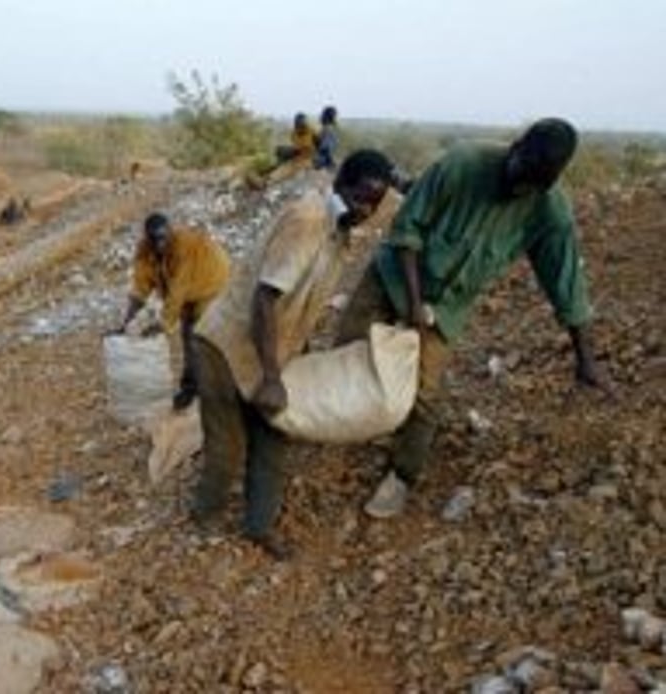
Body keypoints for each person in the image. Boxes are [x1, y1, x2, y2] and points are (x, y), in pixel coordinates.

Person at [339, 118, 613, 520]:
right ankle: (345, 424)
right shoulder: (463, 163)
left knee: (426, 395)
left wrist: (585, 359)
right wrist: (414, 304)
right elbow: (407, 230)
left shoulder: (549, 210)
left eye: (538, 184)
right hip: (396, 274)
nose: (523, 189)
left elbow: (566, 284)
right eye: (523, 174)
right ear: (516, 146)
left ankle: (401, 475)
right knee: (348, 345)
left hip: (448, 303)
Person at [192, 150, 399, 558]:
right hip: (226, 345)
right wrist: (271, 377)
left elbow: (299, 304)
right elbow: (264, 300)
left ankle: (258, 526)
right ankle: (204, 517)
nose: (365, 210)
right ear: (341, 184)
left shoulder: (340, 232)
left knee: (274, 439)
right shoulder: (308, 222)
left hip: (269, 352)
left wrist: (290, 362)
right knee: (227, 447)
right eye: (360, 197)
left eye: (374, 203)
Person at [112, 213, 231, 410]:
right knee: (187, 338)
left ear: (170, 232)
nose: (160, 243)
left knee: (200, 336)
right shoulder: (144, 251)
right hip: (187, 292)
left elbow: (177, 291)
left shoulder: (183, 246)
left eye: (163, 238)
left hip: (212, 281)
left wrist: (163, 325)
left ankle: (215, 389)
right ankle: (191, 388)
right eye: (155, 239)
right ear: (147, 238)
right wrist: (126, 323)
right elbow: (139, 289)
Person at [314, 106, 340, 170]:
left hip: (323, 156)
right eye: (334, 115)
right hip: (323, 157)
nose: (335, 117)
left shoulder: (326, 127)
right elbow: (324, 146)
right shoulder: (327, 128)